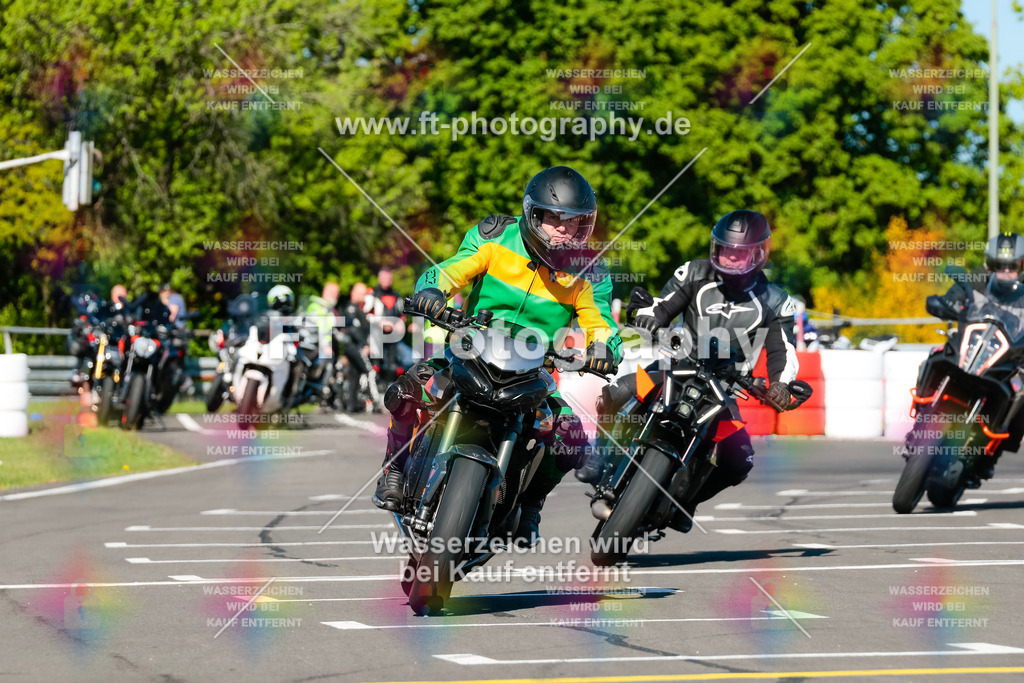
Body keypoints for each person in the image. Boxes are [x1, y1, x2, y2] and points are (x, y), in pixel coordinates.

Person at [372, 165, 622, 545]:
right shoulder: (495, 236)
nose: (563, 229)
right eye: (554, 218)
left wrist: (603, 348)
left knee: (569, 436)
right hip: (468, 351)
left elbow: (600, 320)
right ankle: (394, 469)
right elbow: (451, 270)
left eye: (573, 223)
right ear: (532, 214)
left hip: (536, 372)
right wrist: (432, 291)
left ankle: (531, 505)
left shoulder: (590, 271)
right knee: (406, 390)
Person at [576, 210, 801, 530]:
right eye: (725, 249)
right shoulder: (694, 272)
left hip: (724, 388)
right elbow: (663, 304)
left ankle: (688, 501)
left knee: (739, 461)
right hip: (674, 366)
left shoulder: (777, 301)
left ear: (759, 253)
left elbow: (783, 351)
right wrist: (646, 314)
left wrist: (781, 385)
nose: (731, 257)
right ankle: (600, 456)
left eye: (739, 253)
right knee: (618, 391)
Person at [925, 232, 1024, 476]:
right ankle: (925, 407)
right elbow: (957, 296)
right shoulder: (978, 280)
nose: (1005, 271)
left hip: (1008, 359)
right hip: (968, 348)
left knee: (1022, 394)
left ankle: (991, 454)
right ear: (990, 264)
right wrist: (948, 303)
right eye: (1000, 265)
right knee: (937, 352)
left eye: (1012, 266)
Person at [339, 283, 373, 412]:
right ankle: (375, 403)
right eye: (363, 293)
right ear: (355, 293)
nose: (365, 296)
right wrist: (364, 344)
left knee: (354, 375)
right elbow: (352, 330)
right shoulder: (351, 309)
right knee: (369, 371)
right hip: (354, 347)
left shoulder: (357, 309)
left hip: (354, 346)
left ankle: (352, 404)